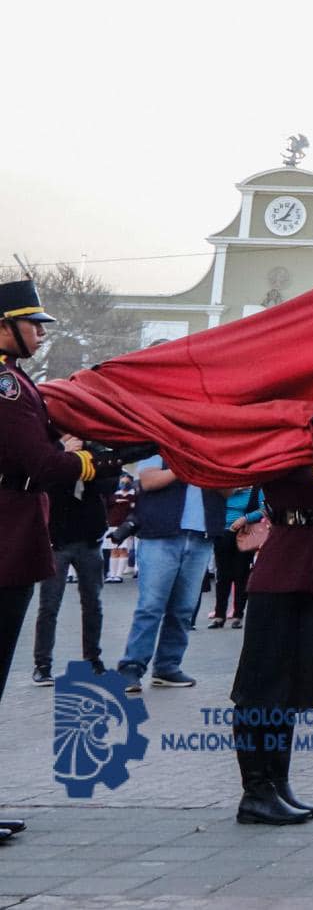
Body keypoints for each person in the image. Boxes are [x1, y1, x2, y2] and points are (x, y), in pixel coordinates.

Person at [228, 392, 313, 825]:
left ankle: (277, 782)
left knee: (291, 688)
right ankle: (256, 791)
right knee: (261, 687)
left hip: (312, 567)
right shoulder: (281, 441)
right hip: (283, 569)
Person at [0, 278, 103, 844]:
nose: (40, 332)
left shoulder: (17, 383)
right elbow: (39, 463)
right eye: (31, 323)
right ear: (5, 326)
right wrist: (85, 460)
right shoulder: (7, 388)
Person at [118, 445, 227, 693]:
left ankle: (167, 666)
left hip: (201, 533)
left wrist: (214, 470)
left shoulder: (214, 448)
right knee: (151, 605)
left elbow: (228, 491)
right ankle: (131, 668)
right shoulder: (160, 443)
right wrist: (188, 466)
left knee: (184, 608)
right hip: (161, 533)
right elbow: (148, 480)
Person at [32, 453, 121, 683]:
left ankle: (92, 658)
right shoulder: (53, 449)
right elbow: (43, 480)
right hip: (57, 540)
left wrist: (86, 466)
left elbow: (111, 483)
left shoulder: (94, 450)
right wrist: (67, 461)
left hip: (89, 539)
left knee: (92, 603)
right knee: (49, 604)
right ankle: (42, 663)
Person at [208, 486, 263, 629]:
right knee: (222, 575)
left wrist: (246, 519)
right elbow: (213, 502)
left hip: (244, 533)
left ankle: (238, 614)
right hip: (222, 531)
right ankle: (220, 615)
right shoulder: (226, 485)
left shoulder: (256, 488)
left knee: (242, 574)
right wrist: (232, 490)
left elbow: (264, 509)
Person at [104, 471, 137, 583]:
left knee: (123, 549)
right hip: (113, 525)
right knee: (114, 549)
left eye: (127, 482)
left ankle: (119, 575)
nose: (124, 484)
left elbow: (134, 510)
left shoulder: (133, 496)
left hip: (125, 527)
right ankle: (112, 574)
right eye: (122, 482)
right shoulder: (114, 495)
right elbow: (108, 505)